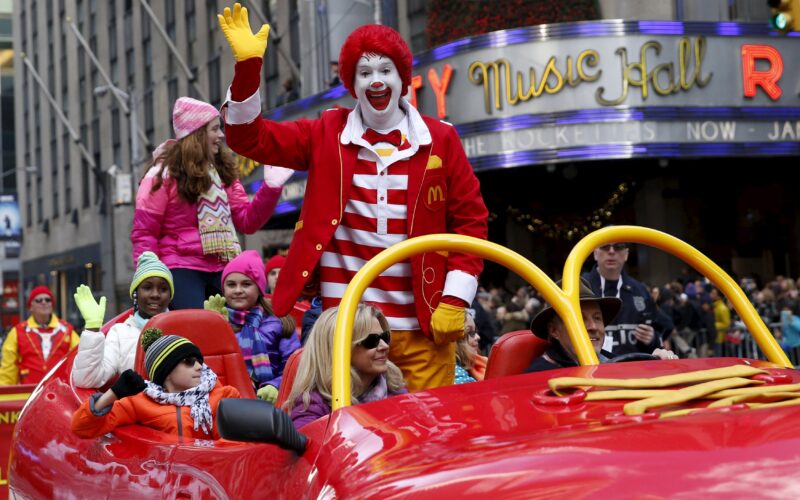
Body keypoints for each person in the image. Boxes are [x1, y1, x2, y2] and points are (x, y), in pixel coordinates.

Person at [217, 5, 489, 391]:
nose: (376, 81)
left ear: (402, 77)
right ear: (351, 82)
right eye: (364, 73)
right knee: (353, 426)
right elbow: (249, 139)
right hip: (349, 328)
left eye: (385, 70)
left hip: (422, 326)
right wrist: (248, 69)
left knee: (428, 424)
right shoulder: (326, 132)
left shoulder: (440, 139)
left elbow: (470, 223)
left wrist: (456, 298)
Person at [131, 96, 294, 310]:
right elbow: (145, 234)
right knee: (198, 323)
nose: (221, 135)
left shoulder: (223, 173)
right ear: (197, 133)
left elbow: (247, 222)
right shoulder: (160, 176)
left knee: (245, 318)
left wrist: (271, 189)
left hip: (223, 267)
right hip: (179, 267)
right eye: (215, 129)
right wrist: (148, 277)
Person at [71, 328, 239, 440]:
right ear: (166, 371)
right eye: (189, 361)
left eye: (199, 361)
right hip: (162, 477)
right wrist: (112, 394)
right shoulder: (140, 402)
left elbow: (231, 447)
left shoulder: (223, 396)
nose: (199, 366)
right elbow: (81, 428)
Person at [285, 304, 407, 428]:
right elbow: (306, 438)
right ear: (338, 350)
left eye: (385, 337)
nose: (384, 346)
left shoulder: (394, 389)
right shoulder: (312, 406)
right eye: (371, 340)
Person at [204, 250, 299, 402]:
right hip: (231, 401)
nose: (238, 290)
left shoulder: (280, 322)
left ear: (259, 288)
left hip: (276, 400)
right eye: (231, 284)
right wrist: (213, 329)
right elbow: (206, 369)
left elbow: (295, 365)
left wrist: (275, 386)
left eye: (246, 284)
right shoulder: (219, 320)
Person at [525, 280, 676, 373]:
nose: (593, 326)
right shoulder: (538, 376)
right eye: (580, 319)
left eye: (597, 318)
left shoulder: (614, 361)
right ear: (554, 330)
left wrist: (657, 365)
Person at [72, 251, 174, 388]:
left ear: (170, 296)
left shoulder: (182, 327)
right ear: (135, 294)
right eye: (148, 287)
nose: (155, 294)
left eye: (163, 289)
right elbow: (86, 380)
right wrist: (92, 328)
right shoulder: (120, 333)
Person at [583, 241, 671, 356]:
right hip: (590, 364)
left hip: (633, 365)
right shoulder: (579, 287)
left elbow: (663, 327)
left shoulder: (640, 290)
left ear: (626, 254)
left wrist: (653, 338)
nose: (611, 251)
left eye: (618, 246)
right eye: (605, 246)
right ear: (595, 253)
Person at [0, 286, 79, 385]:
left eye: (48, 300)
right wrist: (5, 391)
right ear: (31, 307)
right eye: (38, 300)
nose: (44, 302)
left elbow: (79, 359)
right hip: (28, 392)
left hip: (59, 391)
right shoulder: (17, 332)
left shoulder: (67, 330)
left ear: (52, 305)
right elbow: (8, 370)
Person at [454, 310, 486, 383]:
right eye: (470, 332)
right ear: (453, 340)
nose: (478, 337)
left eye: (475, 331)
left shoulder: (478, 363)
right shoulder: (455, 374)